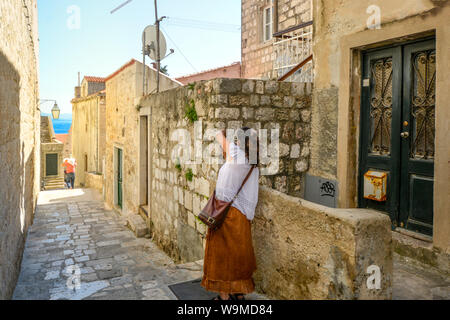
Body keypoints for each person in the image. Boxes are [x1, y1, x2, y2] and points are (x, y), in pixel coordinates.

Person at [201, 127, 260, 301]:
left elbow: (218, 136)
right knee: (239, 257)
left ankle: (224, 298)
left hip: (226, 214)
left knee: (221, 257)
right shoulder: (253, 163)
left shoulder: (237, 155)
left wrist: (222, 130)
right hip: (242, 217)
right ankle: (239, 294)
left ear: (242, 141)